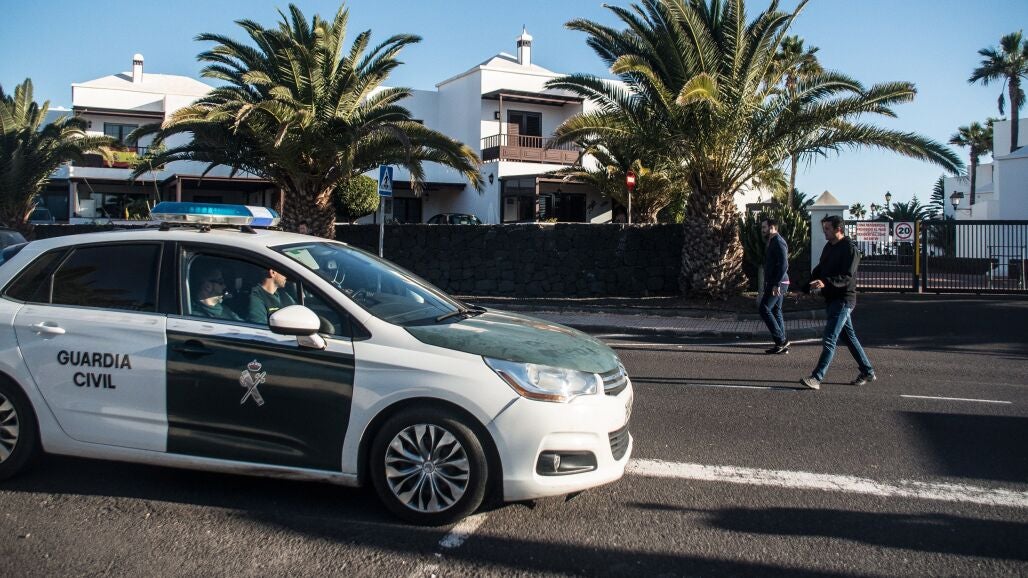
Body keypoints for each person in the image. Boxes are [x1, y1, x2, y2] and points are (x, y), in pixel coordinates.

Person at [800, 215, 876, 390]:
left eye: (827, 229)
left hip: (843, 300)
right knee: (849, 337)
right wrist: (805, 288)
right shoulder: (829, 247)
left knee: (829, 338)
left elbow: (846, 277)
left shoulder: (850, 249)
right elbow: (819, 270)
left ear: (838, 229)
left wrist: (826, 282)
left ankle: (816, 377)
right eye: (824, 228)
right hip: (831, 298)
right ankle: (868, 371)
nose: (824, 232)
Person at [759, 217, 790, 354]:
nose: (762, 230)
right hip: (776, 282)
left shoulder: (778, 241)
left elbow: (784, 264)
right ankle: (782, 345)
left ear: (772, 228)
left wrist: (776, 284)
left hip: (779, 282)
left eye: (764, 227)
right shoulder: (772, 241)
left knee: (764, 308)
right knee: (776, 310)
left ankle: (781, 340)